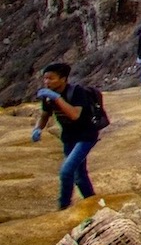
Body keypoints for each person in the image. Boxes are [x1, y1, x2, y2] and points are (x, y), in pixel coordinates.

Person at [32, 62, 106, 210]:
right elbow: (45, 115)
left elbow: (74, 115)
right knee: (79, 175)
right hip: (69, 137)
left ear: (63, 79)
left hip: (86, 135)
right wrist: (37, 129)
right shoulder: (48, 97)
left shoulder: (77, 92)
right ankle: (93, 203)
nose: (47, 82)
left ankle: (63, 206)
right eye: (45, 79)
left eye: (51, 78)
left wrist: (57, 98)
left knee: (67, 171)